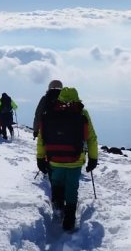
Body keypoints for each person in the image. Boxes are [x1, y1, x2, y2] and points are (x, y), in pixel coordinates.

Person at [36, 87, 98, 232]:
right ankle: (69, 218)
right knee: (72, 188)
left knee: (57, 182)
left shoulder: (49, 113)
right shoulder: (82, 113)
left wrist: (40, 158)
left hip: (54, 159)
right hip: (75, 160)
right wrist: (93, 158)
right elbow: (91, 138)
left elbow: (42, 138)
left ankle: (58, 208)